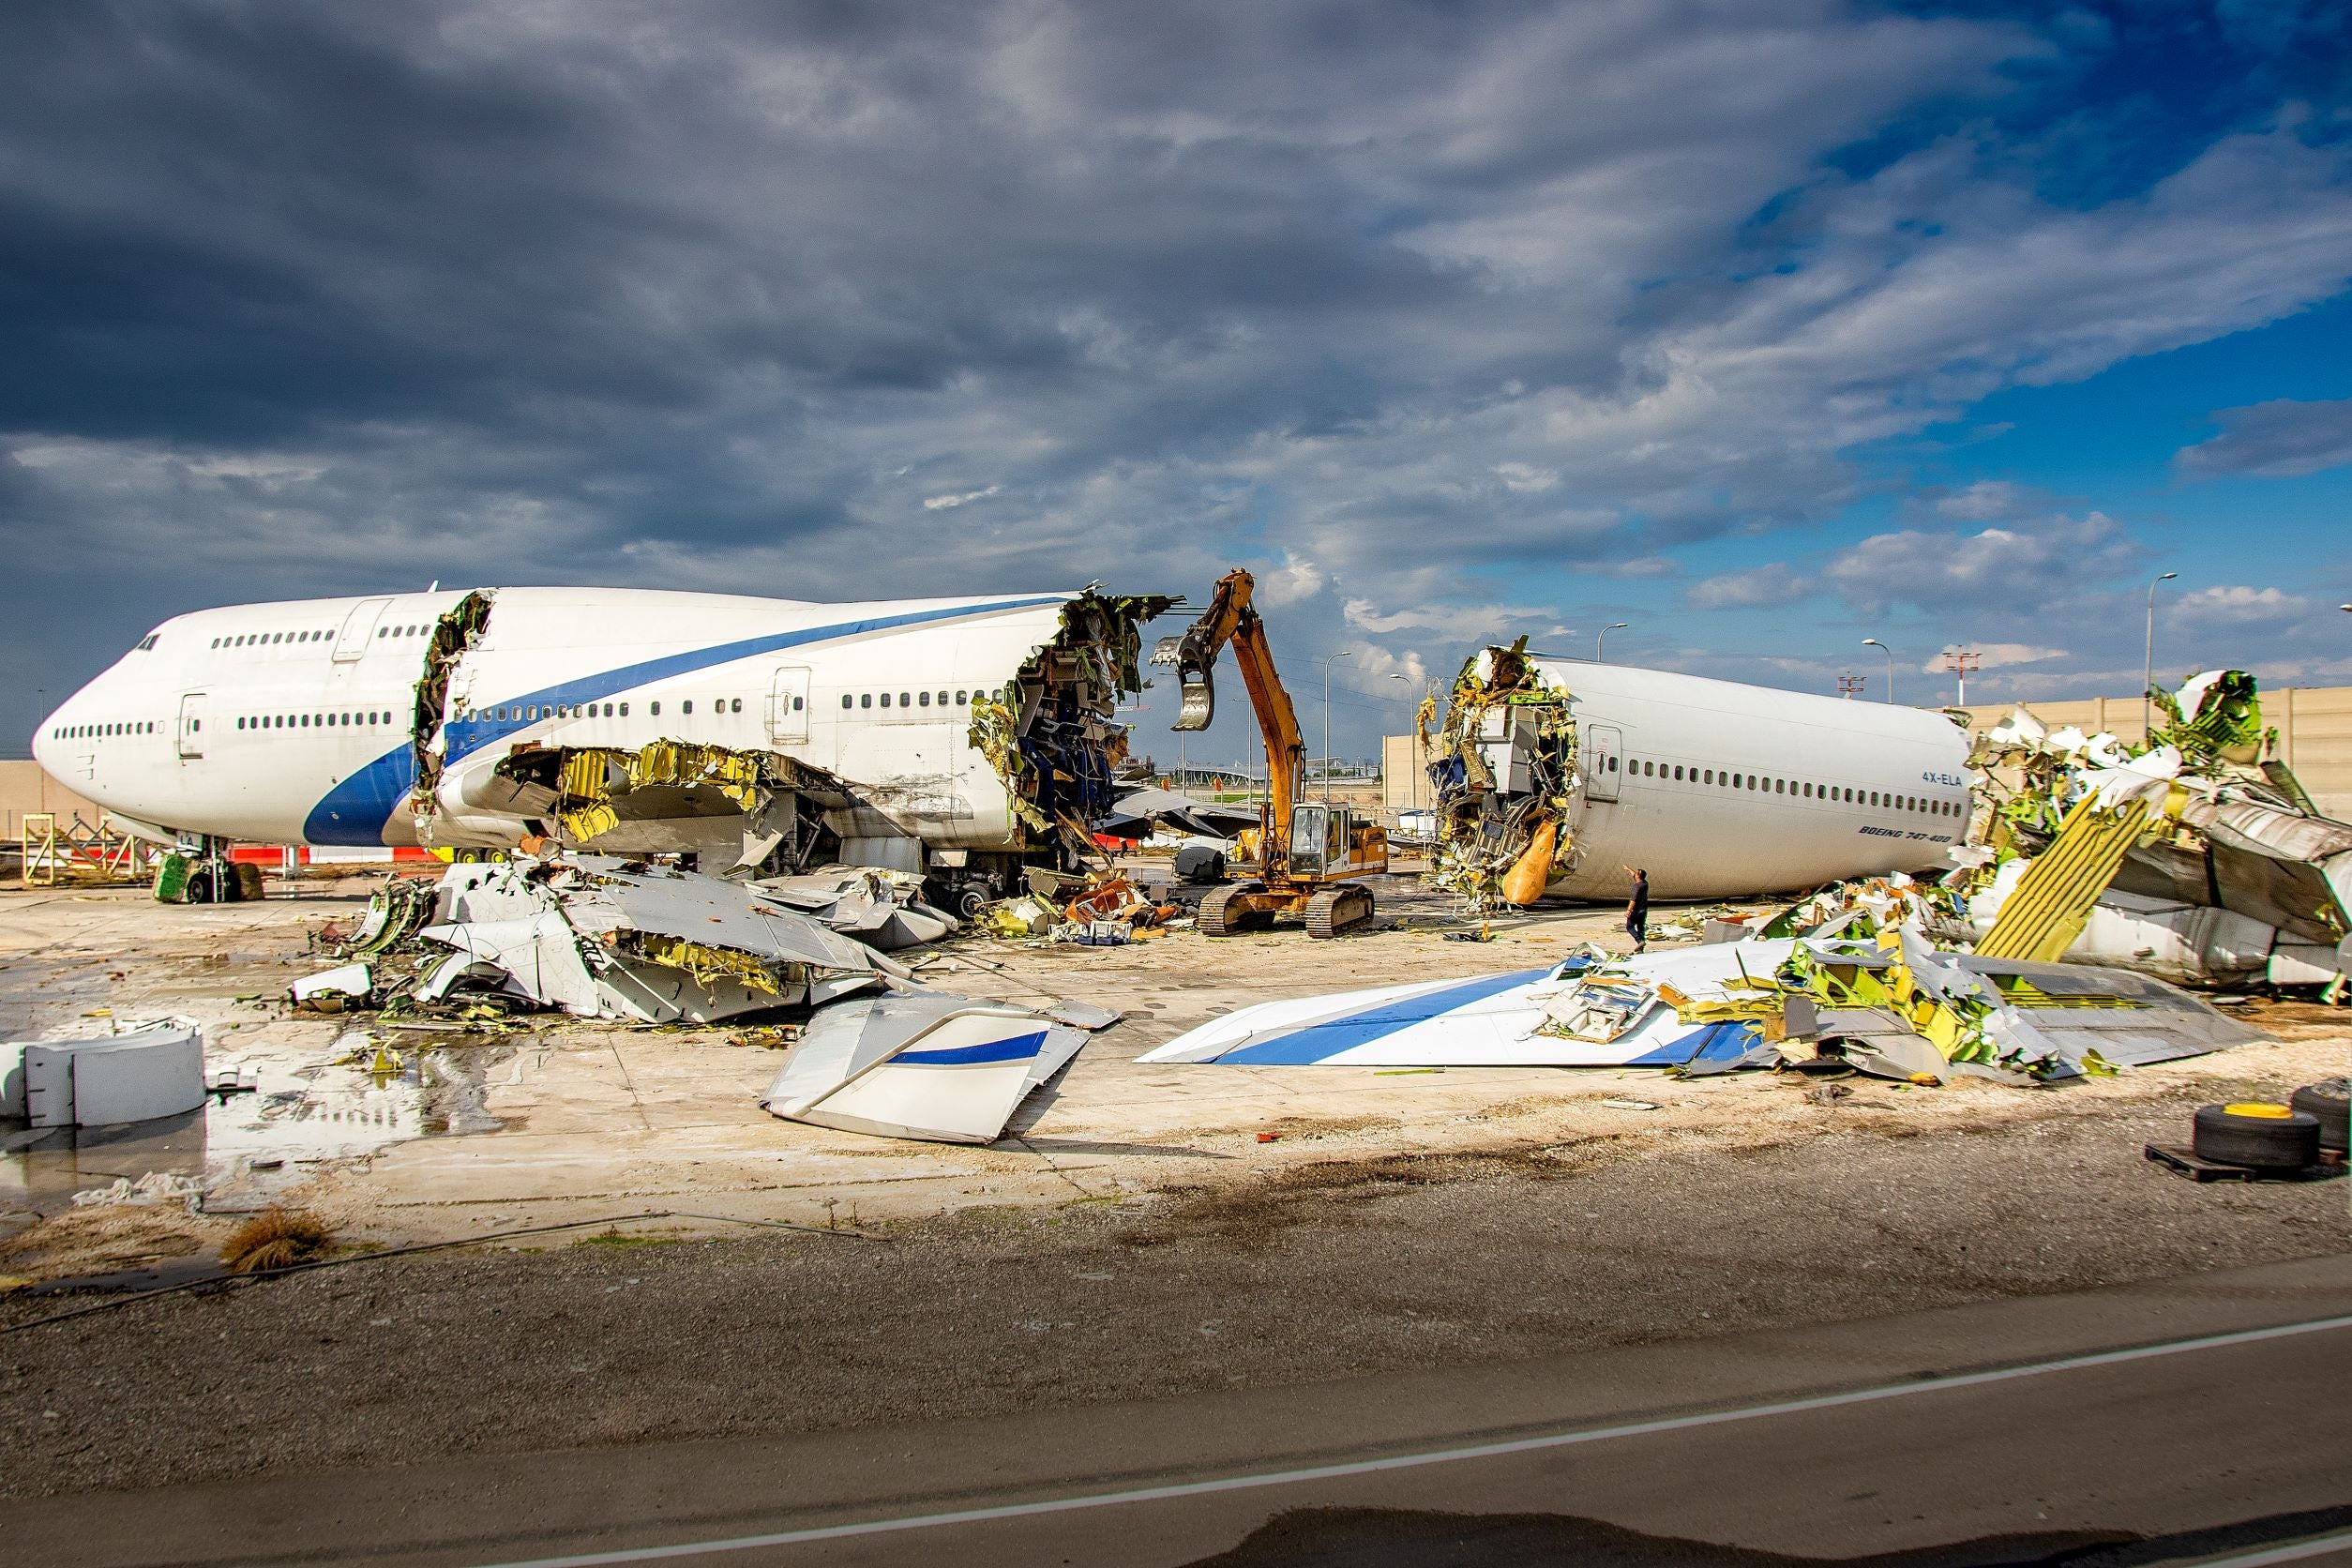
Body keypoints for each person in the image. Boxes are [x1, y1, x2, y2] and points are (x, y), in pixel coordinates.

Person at [1623, 866, 1650, 952]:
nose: (1634, 874)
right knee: (1640, 927)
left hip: (1636, 911)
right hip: (1643, 910)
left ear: (1638, 876)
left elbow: (1633, 900)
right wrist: (1628, 869)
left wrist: (1628, 910)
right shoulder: (1645, 883)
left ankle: (1640, 941)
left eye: (1636, 874)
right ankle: (1641, 947)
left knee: (1629, 926)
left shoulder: (1637, 886)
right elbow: (1635, 874)